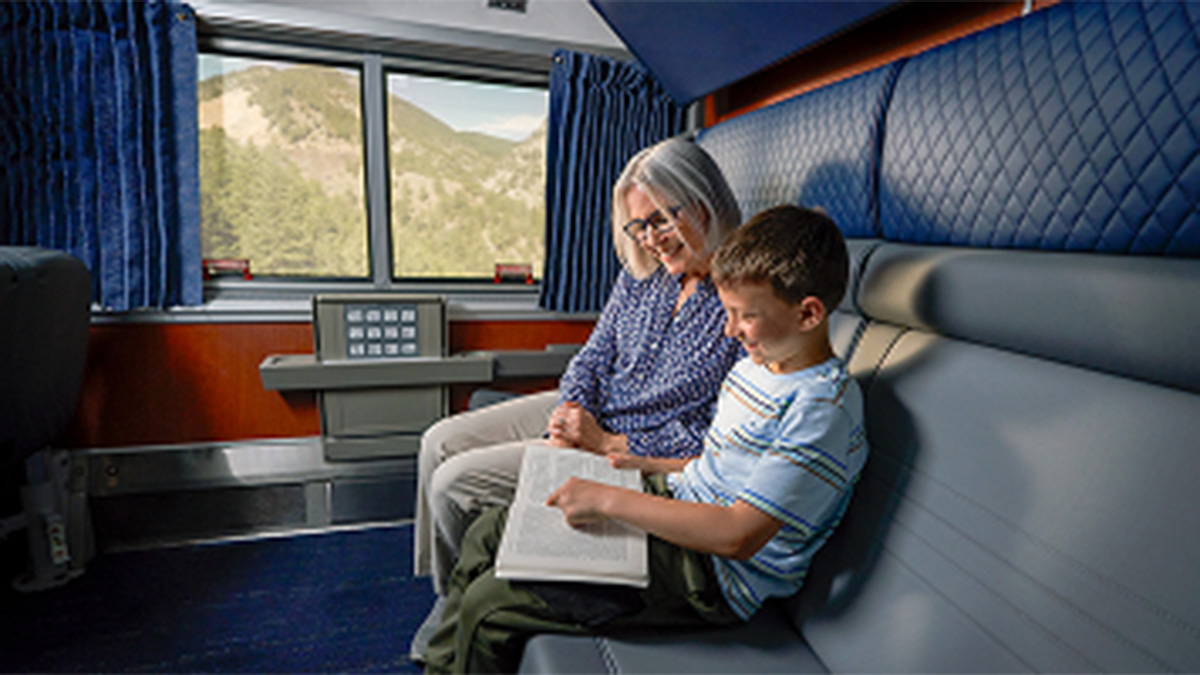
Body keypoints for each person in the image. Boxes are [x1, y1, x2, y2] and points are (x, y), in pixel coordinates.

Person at [422, 204, 869, 674]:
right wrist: (641, 465)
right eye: (728, 312)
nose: (729, 329)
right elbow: (714, 465)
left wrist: (607, 500)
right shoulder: (756, 367)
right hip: (678, 499)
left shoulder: (821, 409)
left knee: (490, 606)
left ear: (808, 313)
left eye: (745, 316)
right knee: (488, 531)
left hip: (711, 575)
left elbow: (738, 534)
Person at [409, 137, 745, 660]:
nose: (650, 239)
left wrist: (606, 442)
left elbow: (714, 435)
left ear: (704, 201)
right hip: (589, 415)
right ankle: (448, 594)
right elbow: (593, 354)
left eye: (661, 220)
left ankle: (458, 604)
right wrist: (571, 410)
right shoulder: (642, 276)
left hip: (626, 450)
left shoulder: (744, 298)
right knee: (437, 441)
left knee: (455, 483)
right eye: (638, 226)